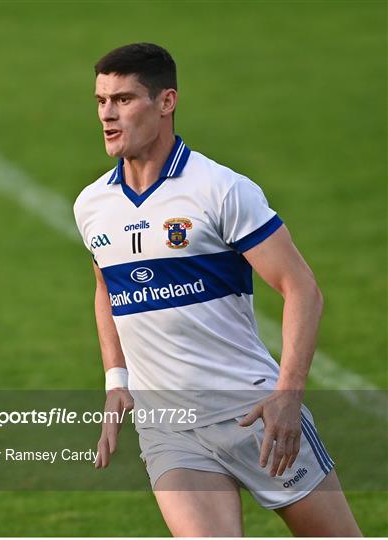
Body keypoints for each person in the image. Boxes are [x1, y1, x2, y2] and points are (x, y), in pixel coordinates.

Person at [74, 42, 361, 537]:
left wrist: (288, 396)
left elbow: (302, 289)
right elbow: (107, 287)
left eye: (123, 99)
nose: (107, 114)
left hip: (252, 416)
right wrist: (116, 380)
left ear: (166, 102)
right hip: (169, 426)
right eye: (101, 101)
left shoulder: (219, 189)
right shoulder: (92, 204)